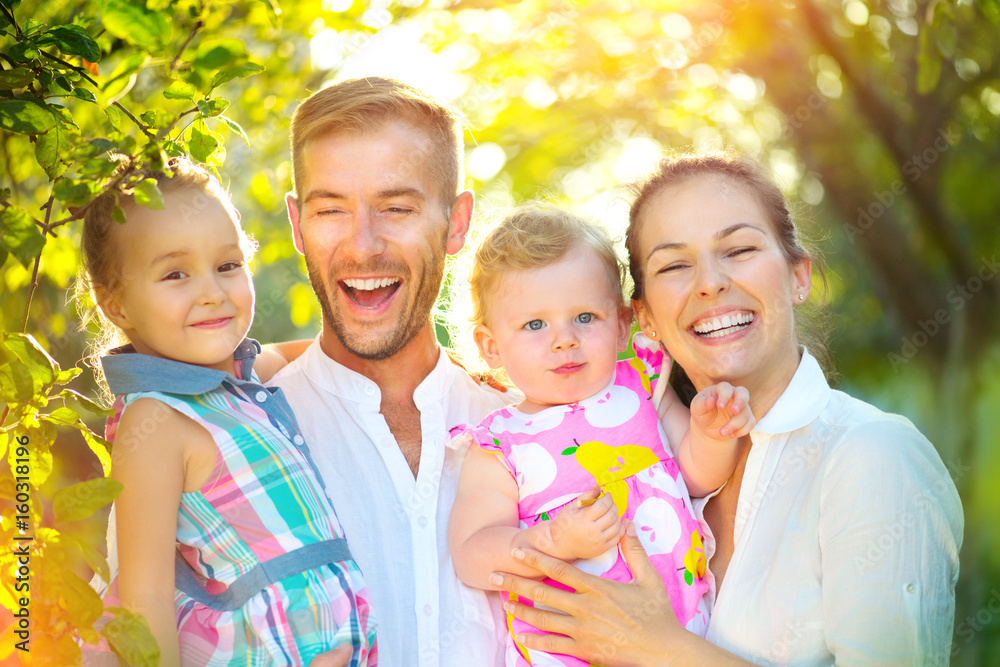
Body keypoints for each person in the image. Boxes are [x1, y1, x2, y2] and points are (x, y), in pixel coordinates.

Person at [489, 150, 964, 666]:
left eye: (738, 249)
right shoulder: (649, 458)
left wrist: (661, 649)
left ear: (798, 276)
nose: (709, 282)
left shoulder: (870, 455)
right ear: (643, 317)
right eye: (674, 265)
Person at [79, 157, 376, 666]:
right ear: (118, 306)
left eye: (228, 266)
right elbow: (144, 599)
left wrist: (446, 362)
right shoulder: (156, 423)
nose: (213, 293)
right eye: (175, 274)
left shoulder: (236, 380)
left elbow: (317, 350)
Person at [268, 77, 511, 666]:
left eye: (396, 208)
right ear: (299, 226)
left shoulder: (530, 427)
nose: (363, 244)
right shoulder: (234, 439)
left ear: (456, 225)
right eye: (332, 210)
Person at [447, 205, 757, 666]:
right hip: (573, 647)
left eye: (586, 317)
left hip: (678, 635)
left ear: (620, 324)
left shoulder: (642, 389)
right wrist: (552, 542)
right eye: (535, 324)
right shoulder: (501, 443)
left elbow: (695, 477)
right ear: (491, 347)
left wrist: (711, 434)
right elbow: (473, 553)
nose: (564, 339)